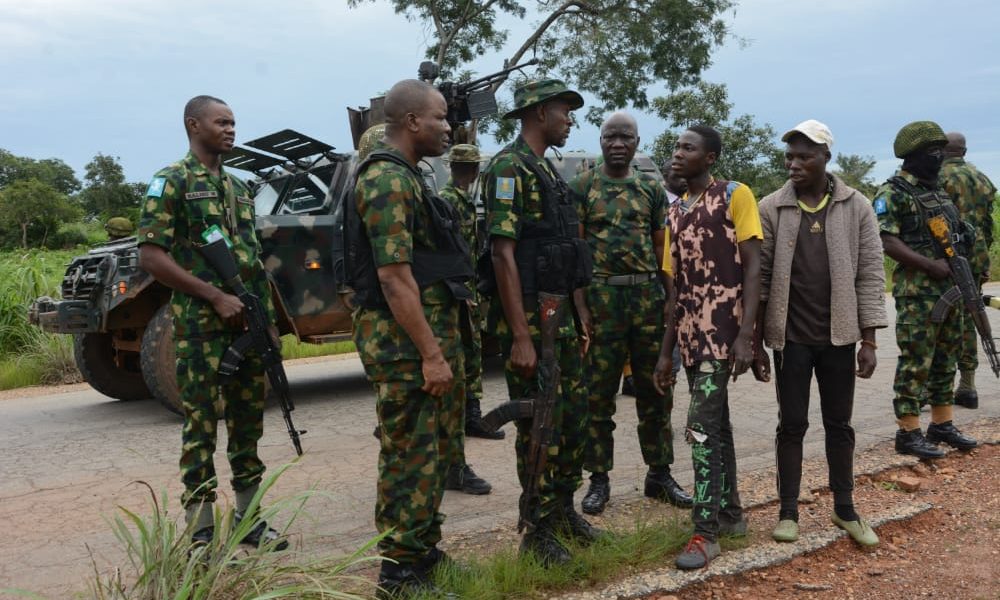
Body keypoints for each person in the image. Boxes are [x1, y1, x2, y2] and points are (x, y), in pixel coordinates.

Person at [137, 95, 285, 550]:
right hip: (202, 328)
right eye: (221, 122)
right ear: (193, 125)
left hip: (248, 326)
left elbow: (254, 261)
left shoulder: (239, 189)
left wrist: (270, 322)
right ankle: (201, 531)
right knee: (201, 427)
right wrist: (214, 296)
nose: (230, 129)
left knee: (247, 425)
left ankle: (249, 520)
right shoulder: (172, 182)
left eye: (234, 122)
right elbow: (151, 257)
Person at [349, 79, 471, 597]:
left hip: (421, 342)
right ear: (412, 122)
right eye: (441, 118)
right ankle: (398, 573)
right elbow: (393, 277)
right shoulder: (386, 181)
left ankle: (423, 549)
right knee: (409, 456)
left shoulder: (411, 176)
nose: (450, 127)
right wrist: (431, 354)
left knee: (432, 454)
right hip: (404, 349)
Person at [481, 79, 599, 566]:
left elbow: (566, 253)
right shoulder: (508, 168)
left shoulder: (545, 170)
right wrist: (522, 336)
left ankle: (562, 511)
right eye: (563, 111)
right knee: (540, 426)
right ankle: (536, 528)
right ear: (538, 113)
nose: (570, 119)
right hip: (533, 319)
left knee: (570, 419)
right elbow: (503, 254)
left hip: (562, 318)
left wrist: (582, 315)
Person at [756, 120, 886, 547]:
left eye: (804, 156)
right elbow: (760, 278)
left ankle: (845, 509)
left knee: (839, 425)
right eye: (789, 156)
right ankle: (788, 510)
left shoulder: (856, 206)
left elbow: (870, 274)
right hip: (790, 338)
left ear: (826, 157)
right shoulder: (772, 207)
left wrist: (869, 340)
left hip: (840, 337)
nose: (794, 164)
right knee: (791, 424)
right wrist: (756, 340)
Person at [652, 125, 762, 570]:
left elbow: (755, 268)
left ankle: (705, 532)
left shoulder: (735, 195)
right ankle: (731, 514)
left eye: (687, 148)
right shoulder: (674, 211)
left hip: (723, 334)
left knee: (698, 426)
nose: (677, 154)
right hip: (689, 338)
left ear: (710, 157)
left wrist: (745, 335)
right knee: (717, 427)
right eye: (676, 147)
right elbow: (673, 291)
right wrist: (666, 353)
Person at [571, 112, 692, 516]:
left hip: (646, 300)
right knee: (598, 395)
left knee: (656, 390)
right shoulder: (583, 186)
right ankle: (599, 479)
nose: (618, 143)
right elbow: (578, 253)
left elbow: (664, 252)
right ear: (601, 140)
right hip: (603, 299)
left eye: (626, 136)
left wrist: (671, 301)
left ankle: (659, 474)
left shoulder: (649, 188)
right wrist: (582, 306)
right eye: (610, 136)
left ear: (638, 143)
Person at [873, 121, 979, 459]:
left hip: (952, 289)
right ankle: (908, 431)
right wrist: (929, 265)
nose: (938, 157)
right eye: (932, 152)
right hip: (919, 293)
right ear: (912, 156)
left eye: (940, 151)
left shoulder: (939, 191)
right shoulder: (893, 192)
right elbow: (887, 240)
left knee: (947, 357)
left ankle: (942, 424)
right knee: (917, 361)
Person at [437, 143, 497, 497]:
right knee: (464, 361)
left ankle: (472, 416)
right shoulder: (449, 201)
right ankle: (456, 453)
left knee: (472, 355)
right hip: (459, 292)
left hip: (468, 288)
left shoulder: (460, 199)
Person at [939, 132, 996, 409]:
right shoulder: (982, 178)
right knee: (970, 315)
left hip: (948, 257)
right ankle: (968, 385)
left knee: (945, 319)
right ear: (965, 150)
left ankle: (939, 386)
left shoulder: (939, 179)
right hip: (975, 258)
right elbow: (987, 226)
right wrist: (983, 262)